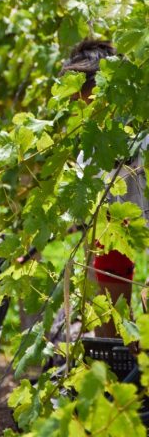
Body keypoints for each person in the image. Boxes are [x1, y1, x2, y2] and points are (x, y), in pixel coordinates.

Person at [61, 39, 149, 338]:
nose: (77, 103)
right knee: (111, 332)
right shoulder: (90, 148)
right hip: (115, 237)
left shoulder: (143, 135)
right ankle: (116, 362)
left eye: (81, 93)